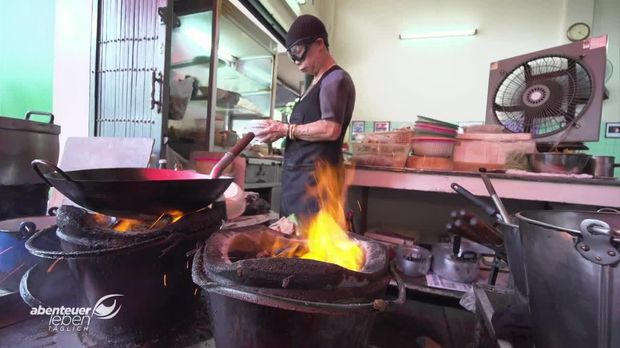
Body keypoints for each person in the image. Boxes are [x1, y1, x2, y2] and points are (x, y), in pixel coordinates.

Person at [256, 14, 356, 218]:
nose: (296, 61)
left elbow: (331, 129)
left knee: (309, 246)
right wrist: (279, 128)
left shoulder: (334, 78)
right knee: (292, 243)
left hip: (316, 184)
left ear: (319, 43)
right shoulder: (316, 82)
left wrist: (285, 129)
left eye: (299, 52)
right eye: (292, 55)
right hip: (300, 181)